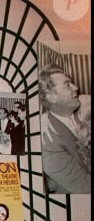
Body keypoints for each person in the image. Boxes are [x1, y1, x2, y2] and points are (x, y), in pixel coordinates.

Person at [39, 64, 91, 194]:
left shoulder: (83, 106)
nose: (76, 88)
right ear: (52, 97)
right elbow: (83, 186)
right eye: (67, 84)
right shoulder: (47, 142)